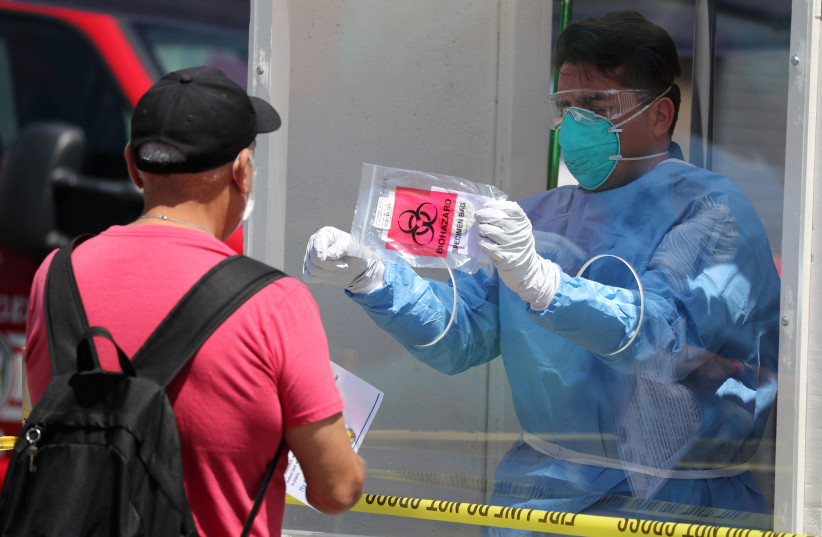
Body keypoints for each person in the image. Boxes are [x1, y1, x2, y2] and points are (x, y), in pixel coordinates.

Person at [303, 10, 780, 534]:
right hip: (539, 502)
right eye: (566, 105)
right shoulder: (536, 218)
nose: (576, 122)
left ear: (660, 114)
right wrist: (375, 278)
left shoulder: (711, 212)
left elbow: (665, 337)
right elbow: (461, 336)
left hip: (670, 507)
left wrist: (545, 285)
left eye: (597, 105)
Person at [24, 66, 364, 537]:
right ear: (243, 171)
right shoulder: (275, 303)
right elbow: (337, 489)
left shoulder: (55, 275)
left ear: (131, 165)